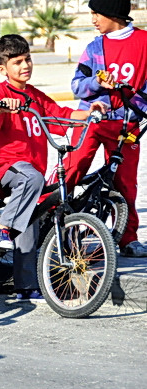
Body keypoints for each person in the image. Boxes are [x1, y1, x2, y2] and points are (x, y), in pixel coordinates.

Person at [0, 35, 106, 301]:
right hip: (8, 167)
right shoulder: (0, 93)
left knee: (30, 221)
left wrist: (89, 110)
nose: (25, 65)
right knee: (32, 181)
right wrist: (1, 108)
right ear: (2, 69)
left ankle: (25, 286)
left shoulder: (35, 95)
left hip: (31, 174)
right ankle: (1, 227)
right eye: (17, 62)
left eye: (28, 59)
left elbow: (61, 114)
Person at [66, 0, 147, 257]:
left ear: (113, 14)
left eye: (96, 13)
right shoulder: (94, 46)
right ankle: (51, 226)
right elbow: (77, 86)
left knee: (126, 182)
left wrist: (138, 104)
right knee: (71, 170)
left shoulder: (144, 42)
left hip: (127, 125)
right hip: (93, 121)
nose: (93, 20)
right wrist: (97, 83)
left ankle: (128, 238)